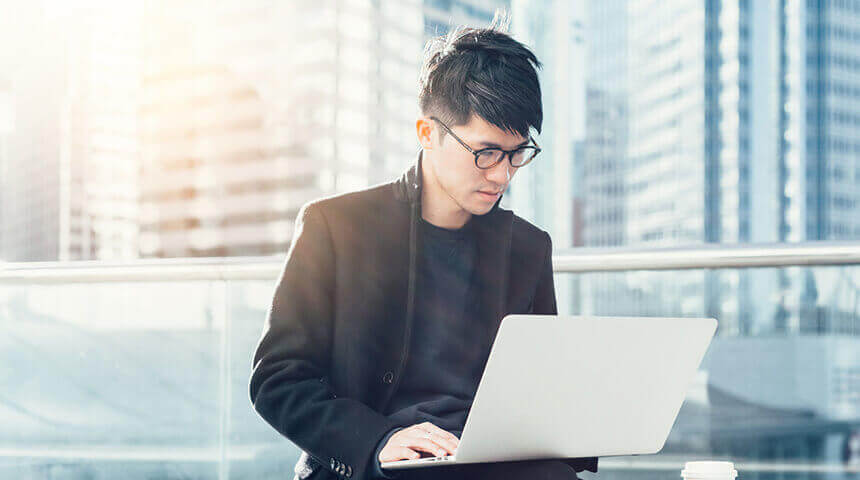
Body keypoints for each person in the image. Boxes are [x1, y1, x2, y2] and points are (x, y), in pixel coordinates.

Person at [249, 13, 599, 480]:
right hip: (377, 462)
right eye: (486, 152)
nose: (502, 174)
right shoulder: (335, 226)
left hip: (483, 462)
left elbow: (535, 388)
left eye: (518, 154)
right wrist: (376, 441)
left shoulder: (528, 248)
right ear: (427, 134)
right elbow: (278, 380)